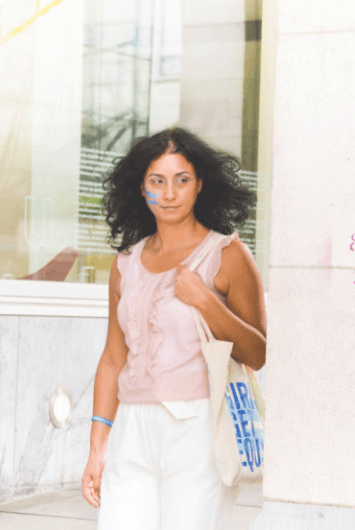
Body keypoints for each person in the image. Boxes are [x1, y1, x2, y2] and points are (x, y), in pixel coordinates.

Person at [82, 127, 267, 530]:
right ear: (141, 188)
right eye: (157, 181)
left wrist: (203, 300)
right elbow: (114, 358)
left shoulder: (228, 254)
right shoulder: (125, 263)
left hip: (197, 426)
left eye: (181, 180)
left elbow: (257, 352)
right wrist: (98, 446)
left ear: (199, 184)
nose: (169, 194)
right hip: (132, 427)